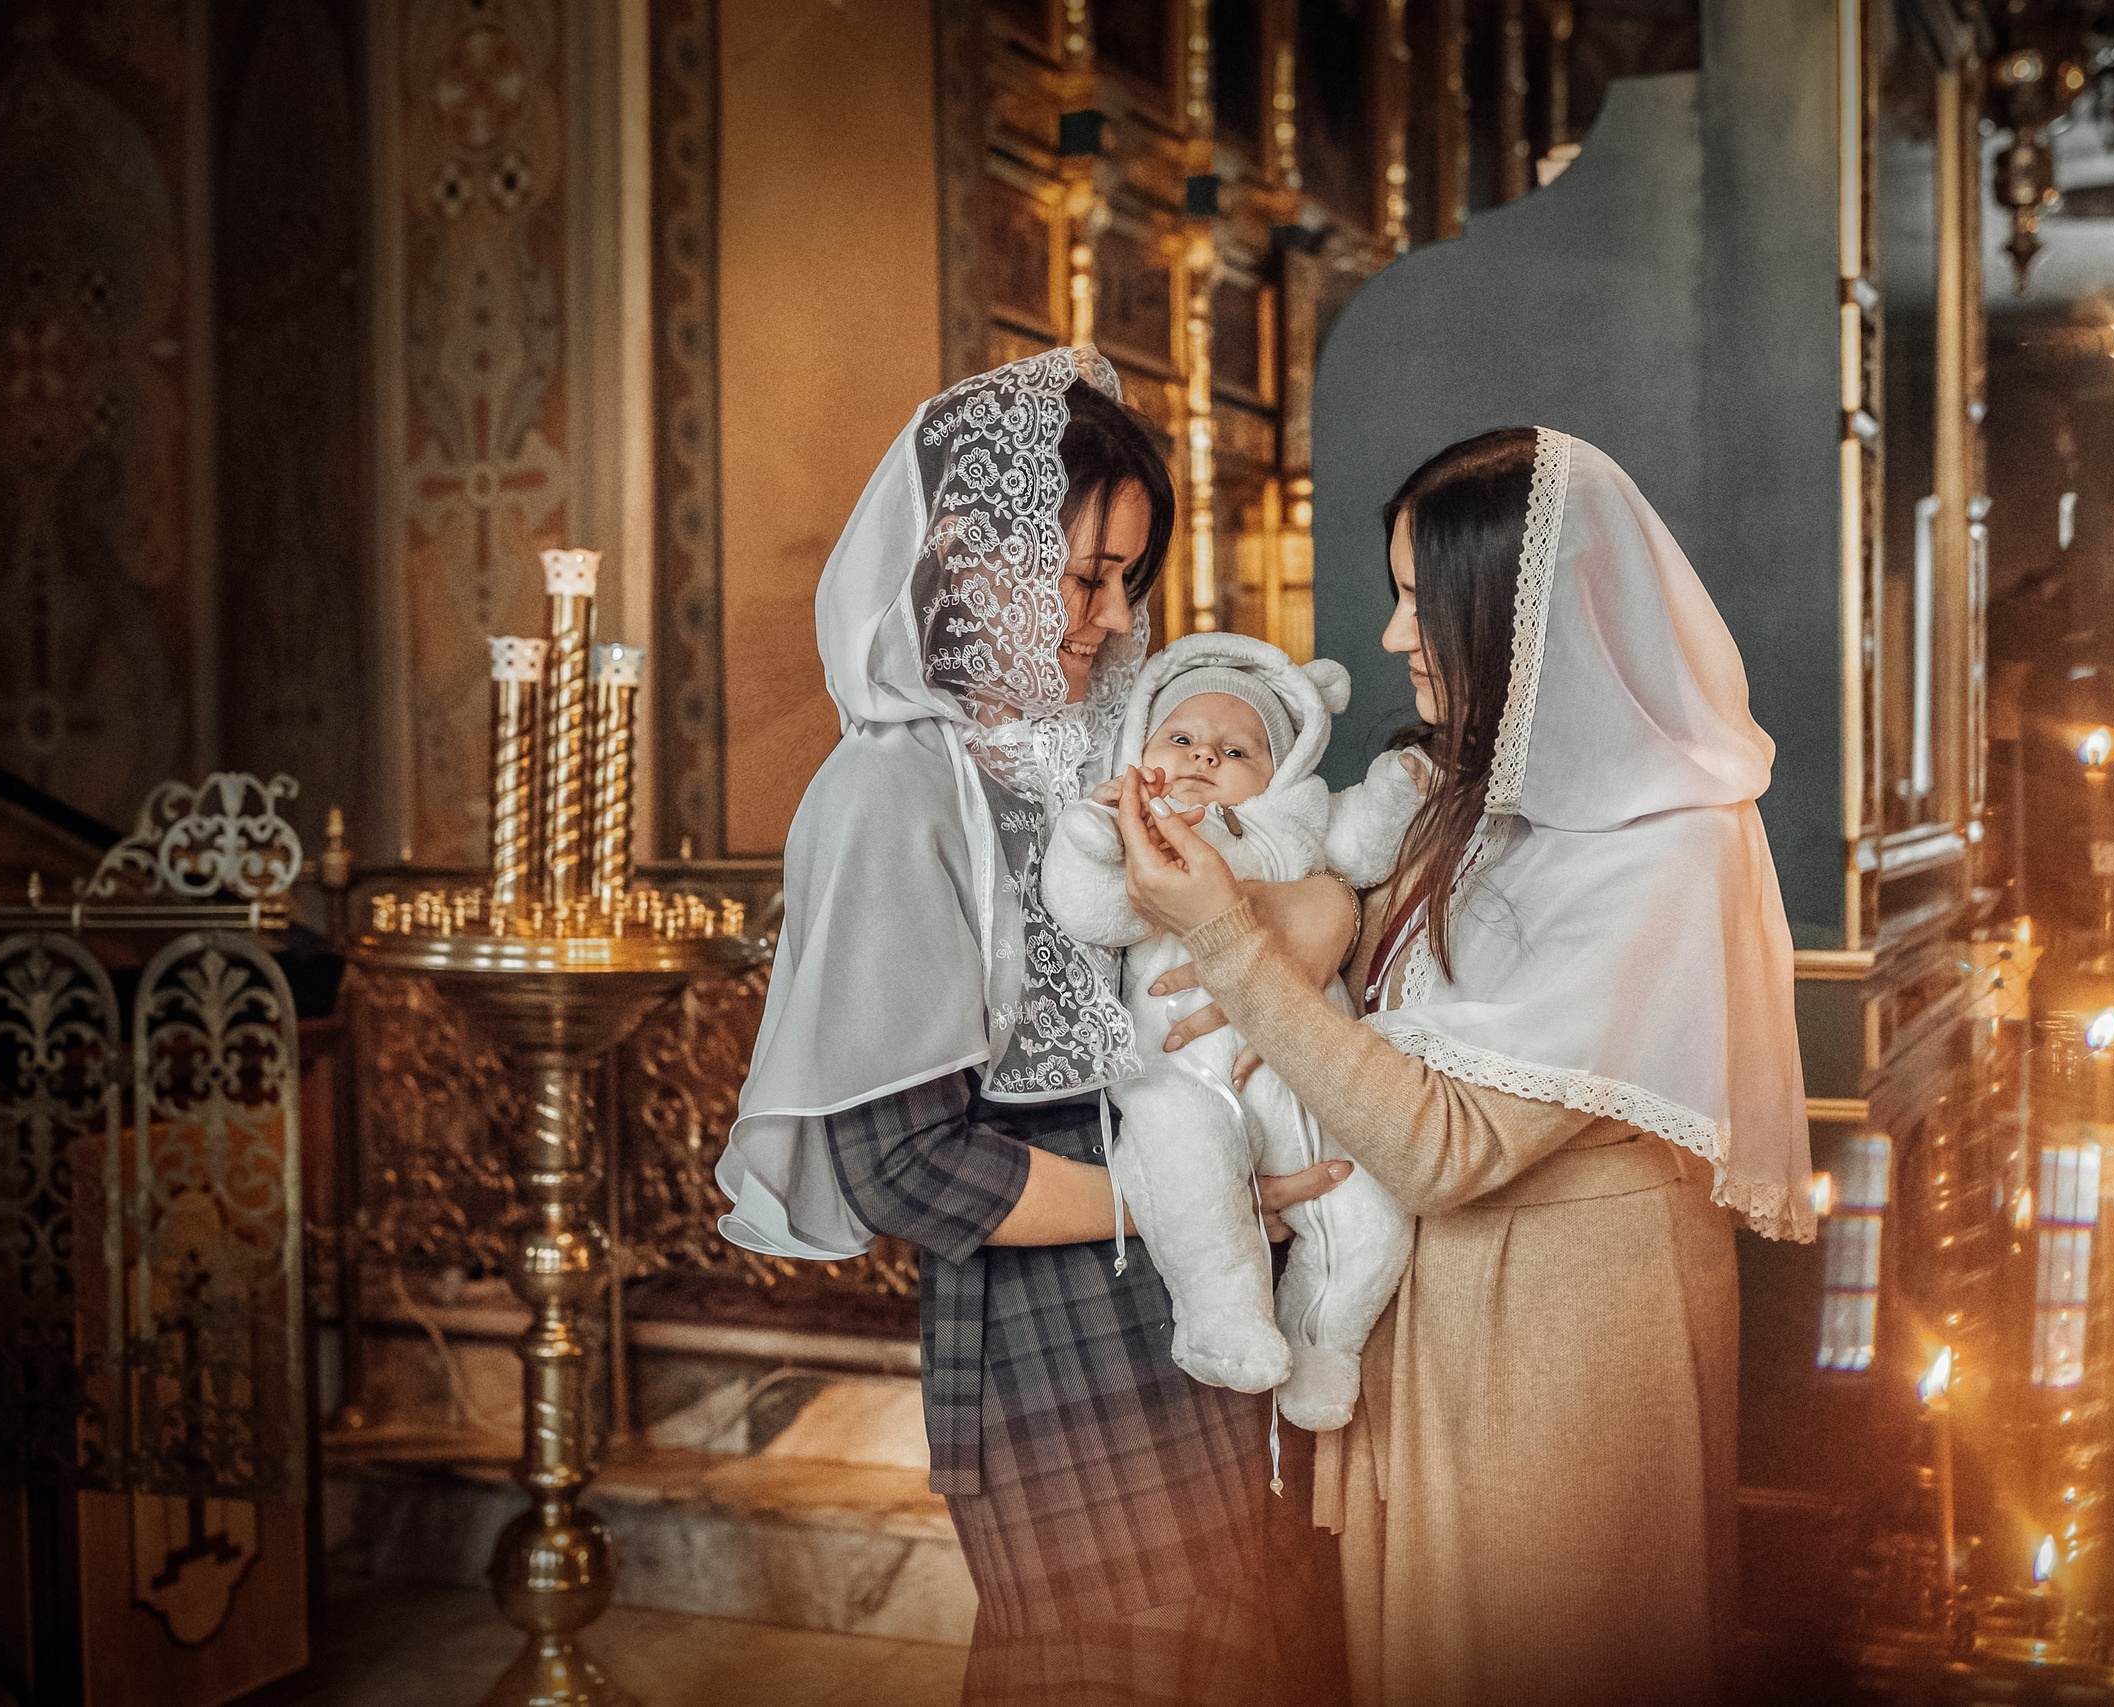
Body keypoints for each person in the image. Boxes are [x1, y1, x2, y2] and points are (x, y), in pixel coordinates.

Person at [1114, 426, 1816, 1707]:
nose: (1392, 637)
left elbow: (1444, 1147)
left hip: (1561, 1341)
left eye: (1418, 602)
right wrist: (1310, 913)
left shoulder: (1671, 846)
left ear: (1523, 610)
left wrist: (1225, 934)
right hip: (1435, 1322)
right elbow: (1362, 957)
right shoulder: (1469, 794)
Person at [714, 347, 1357, 1705]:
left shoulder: (1079, 757)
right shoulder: (888, 793)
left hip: (1192, 1310)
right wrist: (1207, 1194)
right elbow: (907, 1162)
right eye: (1084, 576)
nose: (1117, 618)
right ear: (968, 550)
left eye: (1131, 577)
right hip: (1058, 1349)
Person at [1041, 634, 1419, 1431]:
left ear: (1277, 773)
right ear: (1142, 746)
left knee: (1373, 1212)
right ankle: (1220, 1317)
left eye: (1237, 748)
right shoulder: (1132, 826)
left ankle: (1324, 1344)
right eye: (1180, 737)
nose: (1203, 755)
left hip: (1305, 1082)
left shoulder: (1293, 824)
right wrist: (1087, 840)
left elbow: (1360, 843)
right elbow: (1091, 910)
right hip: (1181, 1074)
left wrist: (1393, 791)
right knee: (1189, 1167)